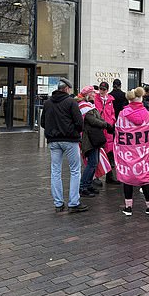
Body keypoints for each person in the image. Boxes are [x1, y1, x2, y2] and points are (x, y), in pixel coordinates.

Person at [41, 77, 88, 213]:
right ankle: (73, 202)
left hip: (53, 141)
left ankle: (58, 203)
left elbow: (43, 122)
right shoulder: (71, 102)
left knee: (55, 171)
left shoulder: (48, 103)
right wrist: (73, 131)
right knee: (75, 170)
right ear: (67, 89)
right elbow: (80, 122)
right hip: (70, 140)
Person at [114, 87, 149, 216]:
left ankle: (128, 207)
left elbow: (118, 130)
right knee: (144, 179)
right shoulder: (146, 114)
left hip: (127, 151)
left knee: (127, 179)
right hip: (141, 151)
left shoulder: (122, 114)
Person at [76, 85, 111, 198]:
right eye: (93, 93)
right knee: (91, 163)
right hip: (88, 139)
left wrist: (105, 123)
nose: (95, 95)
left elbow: (98, 118)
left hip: (94, 138)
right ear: (88, 95)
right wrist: (106, 125)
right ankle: (83, 187)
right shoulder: (84, 106)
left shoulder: (90, 105)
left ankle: (88, 184)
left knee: (94, 163)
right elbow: (93, 120)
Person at [95, 81, 120, 185]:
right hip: (99, 128)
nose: (102, 91)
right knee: (96, 153)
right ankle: (95, 177)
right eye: (101, 89)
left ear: (107, 90)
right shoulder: (96, 99)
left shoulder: (110, 100)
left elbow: (112, 113)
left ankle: (109, 177)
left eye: (104, 89)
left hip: (108, 130)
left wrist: (112, 121)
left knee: (109, 154)